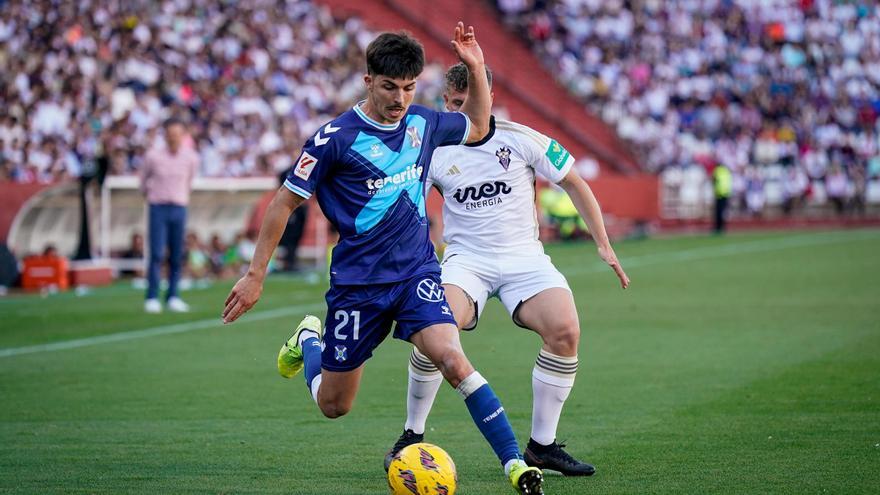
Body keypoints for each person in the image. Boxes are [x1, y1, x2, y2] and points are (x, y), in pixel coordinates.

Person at [221, 25, 544, 494]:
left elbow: (478, 124)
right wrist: (255, 275)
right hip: (359, 285)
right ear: (368, 80)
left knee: (453, 360)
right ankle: (309, 339)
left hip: (417, 273)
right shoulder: (333, 138)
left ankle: (516, 465)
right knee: (335, 406)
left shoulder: (425, 124)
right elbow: (283, 203)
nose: (400, 98)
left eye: (410, 87)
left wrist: (475, 64)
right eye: (390, 87)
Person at [383, 62, 630, 477]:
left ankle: (542, 446)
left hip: (524, 260)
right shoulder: (435, 151)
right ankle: (412, 433)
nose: (467, 111)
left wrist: (603, 243)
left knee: (566, 330)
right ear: (445, 103)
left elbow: (574, 182)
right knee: (433, 332)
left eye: (474, 101)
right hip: (467, 262)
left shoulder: (522, 139)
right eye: (458, 104)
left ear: (490, 97)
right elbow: (405, 206)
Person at [140, 117, 199, 313]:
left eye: (177, 134)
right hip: (158, 207)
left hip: (179, 208)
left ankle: (173, 295)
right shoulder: (153, 156)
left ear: (183, 136)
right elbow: (143, 181)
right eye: (170, 134)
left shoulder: (190, 157)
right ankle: (152, 296)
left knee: (176, 254)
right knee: (156, 253)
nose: (173, 138)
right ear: (165, 135)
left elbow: (190, 180)